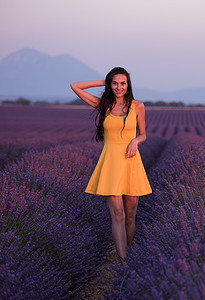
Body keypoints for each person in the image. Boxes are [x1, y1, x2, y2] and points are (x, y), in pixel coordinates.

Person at [70, 67, 152, 265]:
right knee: (118, 214)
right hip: (111, 163)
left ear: (128, 85)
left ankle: (128, 255)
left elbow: (143, 134)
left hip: (131, 162)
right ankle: (123, 261)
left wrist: (135, 141)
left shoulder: (137, 106)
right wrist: (104, 81)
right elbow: (75, 86)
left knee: (130, 215)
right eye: (115, 83)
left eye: (123, 83)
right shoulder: (103, 105)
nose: (119, 87)